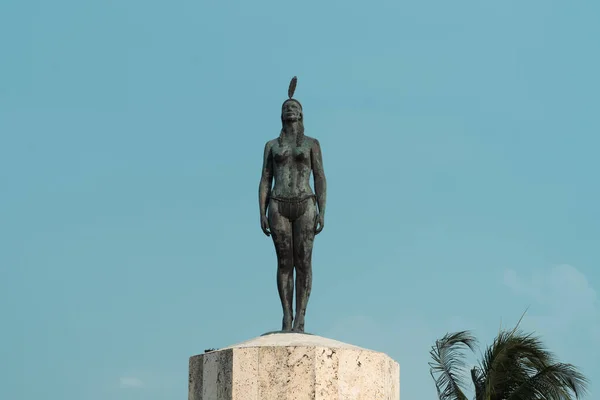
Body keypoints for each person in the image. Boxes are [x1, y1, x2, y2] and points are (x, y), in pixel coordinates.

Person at [258, 77, 327, 333]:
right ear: (281, 115)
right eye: (287, 107)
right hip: (278, 203)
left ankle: (301, 318)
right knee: (285, 263)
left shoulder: (311, 144)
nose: (290, 110)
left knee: (304, 262)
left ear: (301, 114)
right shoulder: (272, 146)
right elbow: (265, 178)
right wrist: (261, 211)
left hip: (305, 203)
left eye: (294, 107)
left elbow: (320, 176)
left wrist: (322, 209)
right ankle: (287, 316)